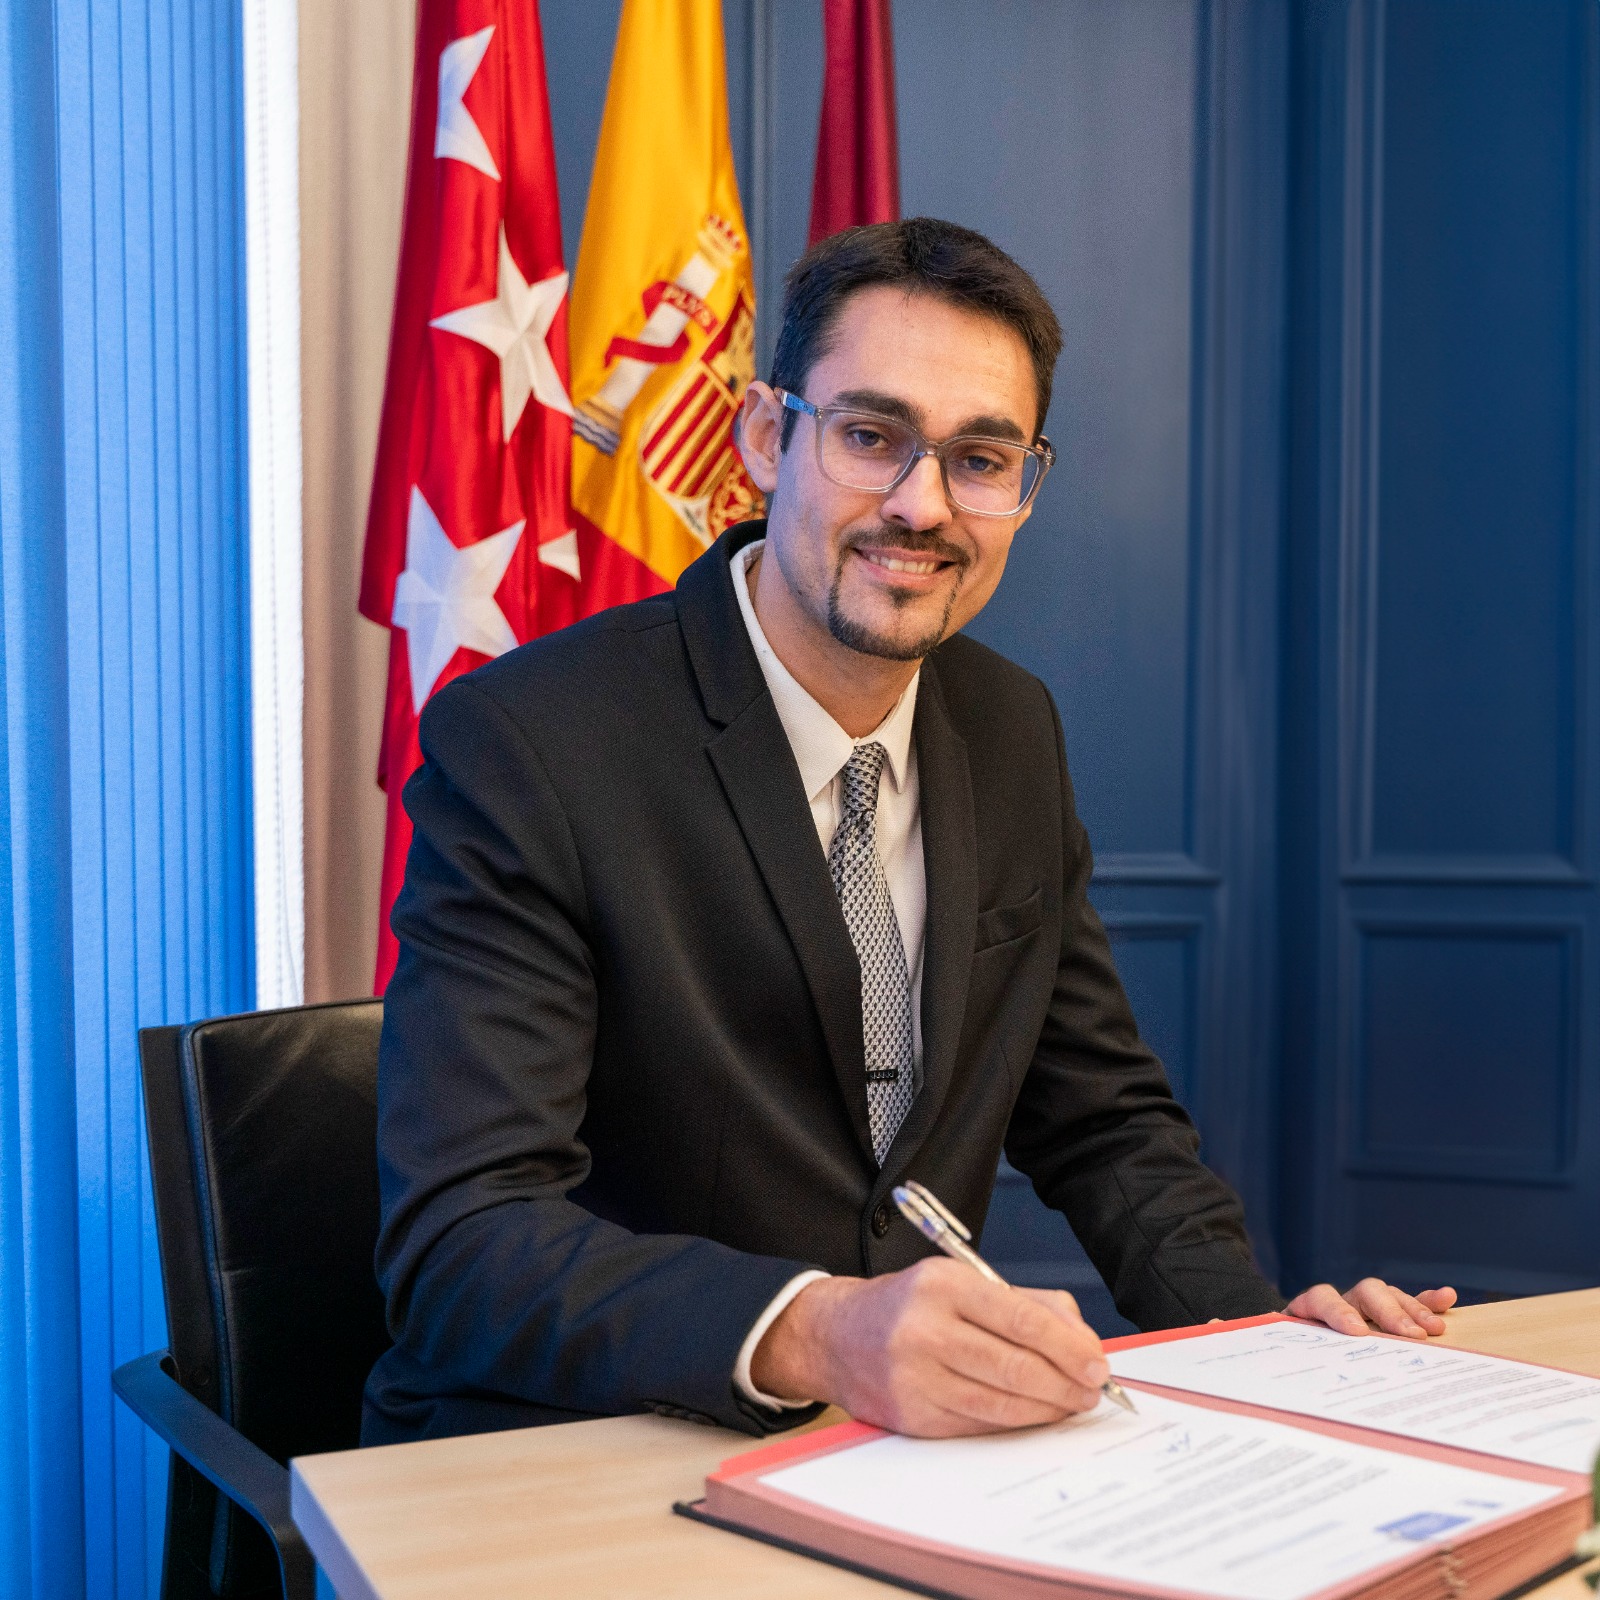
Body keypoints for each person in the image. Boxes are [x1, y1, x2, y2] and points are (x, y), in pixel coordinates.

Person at [363, 219, 1454, 1446]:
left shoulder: (1008, 725)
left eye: (980, 458)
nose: (921, 506)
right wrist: (819, 1328)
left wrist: (1262, 1349)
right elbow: (463, 1238)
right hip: (579, 1443)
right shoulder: (531, 742)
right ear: (765, 437)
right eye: (871, 436)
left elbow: (1102, 1121)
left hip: (894, 1456)